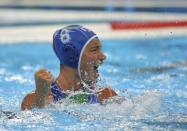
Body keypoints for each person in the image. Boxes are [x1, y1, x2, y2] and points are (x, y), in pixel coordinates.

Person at [21, 25, 118, 110]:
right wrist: (40, 97)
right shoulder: (34, 99)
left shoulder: (106, 96)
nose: (103, 56)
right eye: (94, 50)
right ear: (73, 57)